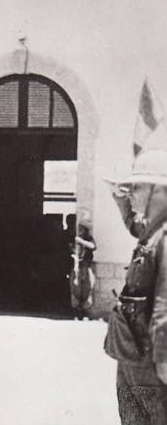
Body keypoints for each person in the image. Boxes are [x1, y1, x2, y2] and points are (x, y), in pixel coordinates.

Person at [104, 149, 167, 424]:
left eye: (138, 187)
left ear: (160, 192)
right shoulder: (152, 231)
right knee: (132, 418)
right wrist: (120, 198)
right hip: (131, 355)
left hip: (151, 364)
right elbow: (134, 225)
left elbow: (165, 307)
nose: (131, 192)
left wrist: (164, 363)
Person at [68, 219, 96, 320]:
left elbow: (93, 246)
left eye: (81, 229)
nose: (79, 230)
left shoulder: (88, 238)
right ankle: (76, 311)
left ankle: (85, 312)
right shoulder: (73, 238)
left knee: (87, 288)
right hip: (76, 266)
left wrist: (81, 241)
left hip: (86, 266)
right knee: (76, 288)